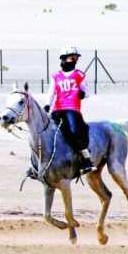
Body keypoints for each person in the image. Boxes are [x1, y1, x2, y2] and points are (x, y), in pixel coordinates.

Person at [44, 46, 95, 176]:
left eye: (76, 58)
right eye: (72, 57)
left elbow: (87, 90)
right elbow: (51, 92)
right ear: (64, 59)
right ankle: (39, 162)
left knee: (74, 130)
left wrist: (83, 93)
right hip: (58, 108)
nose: (75, 60)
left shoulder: (79, 75)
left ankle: (86, 159)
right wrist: (47, 105)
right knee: (47, 130)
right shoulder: (56, 76)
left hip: (72, 108)